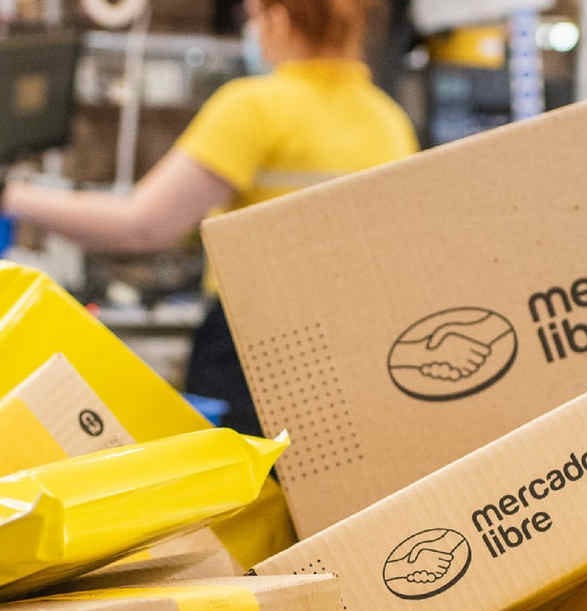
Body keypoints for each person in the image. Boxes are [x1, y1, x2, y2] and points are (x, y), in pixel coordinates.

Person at [0, 0, 419, 434]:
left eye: (253, 19)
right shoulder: (389, 120)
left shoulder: (255, 108)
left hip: (256, 345)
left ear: (278, 18)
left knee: (243, 474)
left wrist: (11, 196)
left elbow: (143, 225)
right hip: (358, 348)